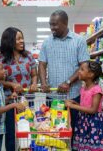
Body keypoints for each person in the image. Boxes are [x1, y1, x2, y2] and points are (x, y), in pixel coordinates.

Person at [38, 9, 90, 141]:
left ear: (65, 23)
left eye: (55, 24)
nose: (52, 28)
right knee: (52, 131)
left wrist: (68, 82)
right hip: (52, 96)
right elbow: (42, 64)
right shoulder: (46, 42)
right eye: (50, 24)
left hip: (73, 96)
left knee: (73, 130)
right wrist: (43, 83)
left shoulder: (79, 40)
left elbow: (83, 66)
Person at [0, 27, 38, 151]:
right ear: (10, 41)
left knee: (27, 131)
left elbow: (34, 74)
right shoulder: (1, 59)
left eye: (22, 38)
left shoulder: (29, 56)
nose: (22, 41)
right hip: (11, 101)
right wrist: (11, 85)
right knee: (11, 133)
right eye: (18, 39)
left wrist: (34, 84)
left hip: (27, 100)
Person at [65, 61, 103, 151]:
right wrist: (74, 103)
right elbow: (85, 106)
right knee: (84, 146)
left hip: (94, 124)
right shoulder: (83, 88)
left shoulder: (96, 90)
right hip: (84, 121)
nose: (79, 71)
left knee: (93, 146)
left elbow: (93, 110)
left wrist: (74, 107)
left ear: (90, 74)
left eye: (82, 69)